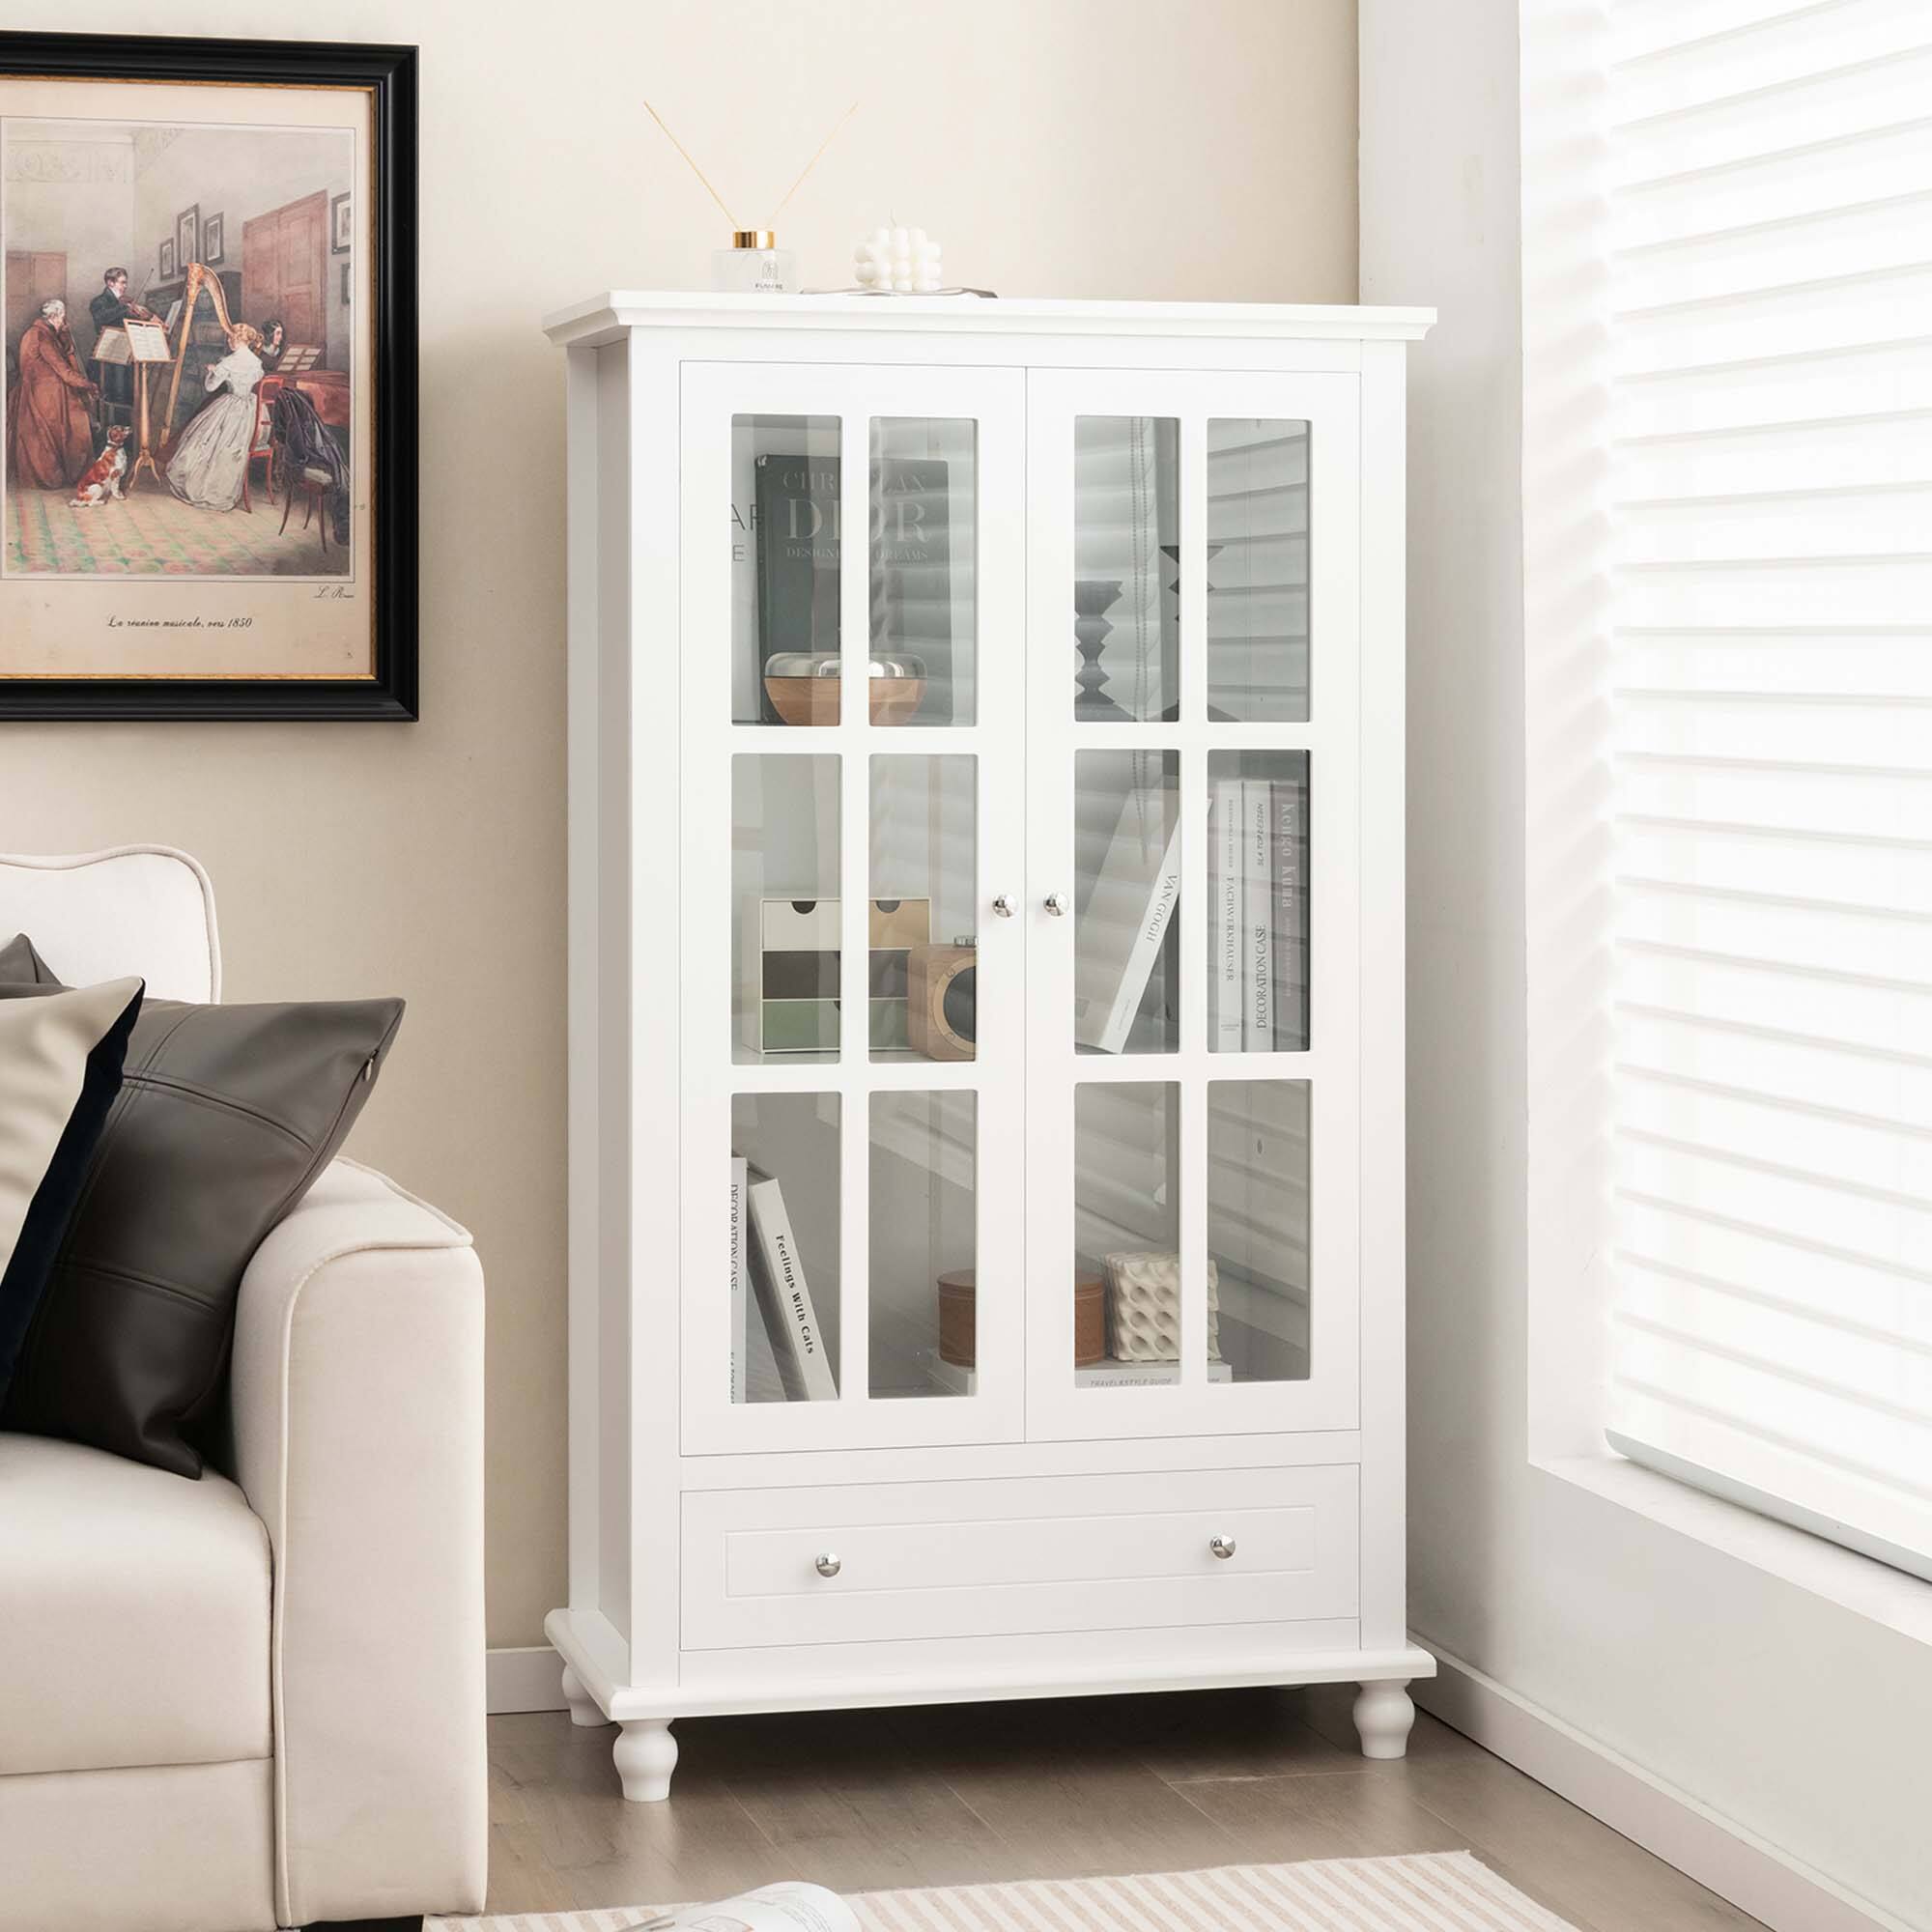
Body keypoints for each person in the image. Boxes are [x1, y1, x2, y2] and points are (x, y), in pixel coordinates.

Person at [166, 322, 265, 512]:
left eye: (229, 338)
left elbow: (210, 387)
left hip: (232, 408)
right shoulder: (256, 362)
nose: (228, 341)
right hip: (252, 411)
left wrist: (211, 371)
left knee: (200, 440)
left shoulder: (228, 362)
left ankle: (205, 487)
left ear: (235, 339)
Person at [5, 298, 98, 489]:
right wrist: (88, 384)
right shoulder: (42, 336)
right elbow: (64, 371)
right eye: (63, 317)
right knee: (78, 418)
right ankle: (72, 473)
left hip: (35, 391)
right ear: (55, 317)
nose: (65, 322)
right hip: (42, 395)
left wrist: (64, 338)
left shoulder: (38, 332)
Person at [88, 268, 156, 425]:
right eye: (122, 282)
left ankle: (125, 434)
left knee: (127, 395)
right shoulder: (98, 302)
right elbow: (101, 318)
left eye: (126, 282)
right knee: (114, 395)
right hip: (108, 356)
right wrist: (124, 308)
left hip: (126, 353)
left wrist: (145, 315)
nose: (125, 286)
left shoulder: (125, 302)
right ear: (110, 282)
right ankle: (112, 434)